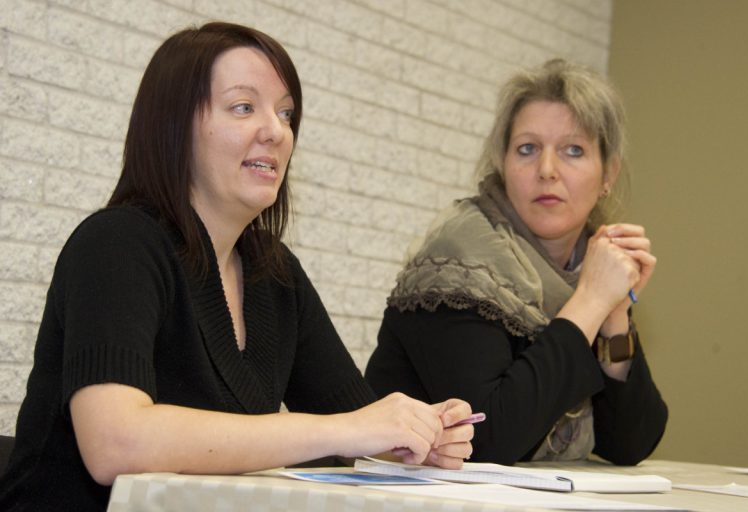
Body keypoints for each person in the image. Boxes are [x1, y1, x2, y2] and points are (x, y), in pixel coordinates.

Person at [0, 22, 475, 511]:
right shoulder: (117, 243)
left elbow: (358, 421)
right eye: (244, 107)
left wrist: (416, 433)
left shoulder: (275, 273)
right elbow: (116, 444)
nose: (276, 131)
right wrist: (345, 430)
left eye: (285, 113)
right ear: (173, 126)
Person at [365, 59, 667, 466]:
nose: (547, 171)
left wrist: (615, 314)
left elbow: (630, 443)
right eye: (527, 149)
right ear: (503, 165)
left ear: (608, 174)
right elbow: (487, 440)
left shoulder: (586, 262)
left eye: (573, 150)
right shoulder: (465, 254)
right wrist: (591, 301)